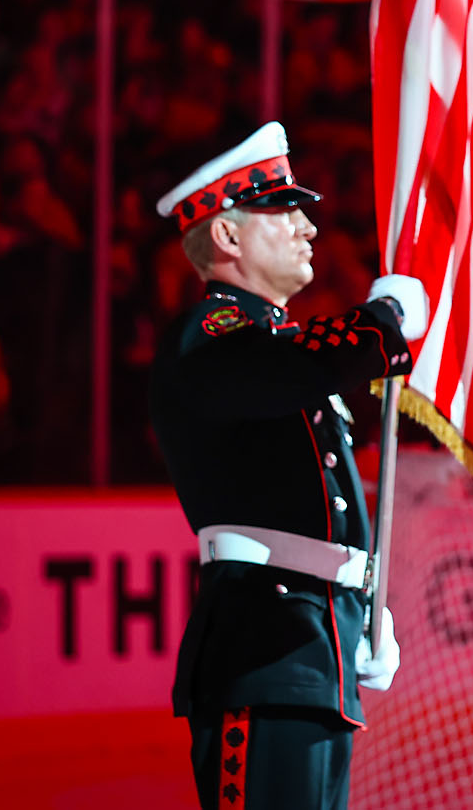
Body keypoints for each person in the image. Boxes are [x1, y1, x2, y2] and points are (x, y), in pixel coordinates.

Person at [148, 121, 429, 810]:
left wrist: (362, 601)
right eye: (285, 210)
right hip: (261, 651)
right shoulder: (210, 335)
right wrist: (384, 316)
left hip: (313, 647)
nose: (308, 226)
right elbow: (312, 360)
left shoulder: (272, 344)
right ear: (227, 236)